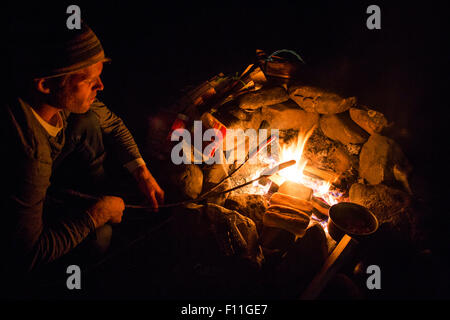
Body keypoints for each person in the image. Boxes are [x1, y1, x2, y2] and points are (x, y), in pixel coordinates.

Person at [1, 17, 164, 291]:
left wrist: (142, 172)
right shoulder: (30, 155)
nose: (100, 86)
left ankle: (86, 192)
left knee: (87, 119)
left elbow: (112, 123)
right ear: (45, 84)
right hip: (17, 251)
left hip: (44, 173)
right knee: (101, 237)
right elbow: (27, 256)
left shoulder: (53, 99)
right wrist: (97, 214)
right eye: (89, 80)